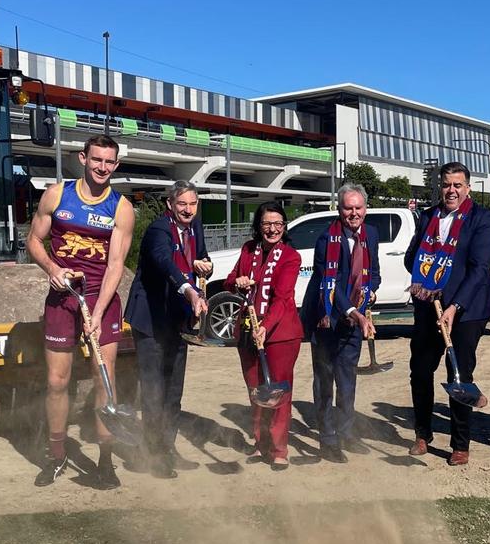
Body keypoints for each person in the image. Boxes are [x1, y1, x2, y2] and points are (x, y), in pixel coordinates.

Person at [27, 135, 135, 488]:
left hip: (102, 298)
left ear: (115, 165)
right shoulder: (58, 195)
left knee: (105, 379)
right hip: (62, 299)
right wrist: (52, 269)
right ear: (83, 159)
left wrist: (99, 313)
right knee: (56, 382)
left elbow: (116, 265)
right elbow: (33, 240)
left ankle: (105, 461)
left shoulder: (121, 208)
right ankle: (57, 456)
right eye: (96, 160)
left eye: (109, 162)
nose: (102, 167)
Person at [404, 162, 490, 466]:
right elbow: (412, 257)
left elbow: (480, 269)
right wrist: (423, 281)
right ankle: (422, 433)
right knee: (420, 369)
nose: (451, 190)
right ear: (439, 187)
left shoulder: (481, 219)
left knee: (459, 373)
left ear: (467, 187)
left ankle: (460, 443)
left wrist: (455, 307)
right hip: (429, 306)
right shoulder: (429, 216)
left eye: (458, 185)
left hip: (466, 309)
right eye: (446, 184)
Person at [125, 181, 212, 479]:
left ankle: (168, 447)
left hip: (177, 319)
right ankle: (153, 455)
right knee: (153, 391)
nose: (188, 210)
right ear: (170, 205)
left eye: (193, 204)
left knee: (173, 391)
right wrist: (188, 289)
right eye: (182, 205)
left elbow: (202, 257)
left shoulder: (195, 226)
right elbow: (164, 262)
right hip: (150, 319)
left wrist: (205, 266)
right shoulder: (159, 230)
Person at [301, 184, 381, 463]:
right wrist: (354, 312)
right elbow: (331, 285)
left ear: (365, 209)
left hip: (354, 319)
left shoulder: (371, 234)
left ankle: (346, 432)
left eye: (358, 208)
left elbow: (374, 273)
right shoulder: (327, 239)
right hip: (327, 317)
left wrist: (370, 293)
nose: (353, 213)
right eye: (348, 208)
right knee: (325, 380)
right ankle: (328, 439)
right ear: (339, 209)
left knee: (347, 380)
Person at [227, 202, 303, 470]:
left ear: (284, 226)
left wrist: (265, 326)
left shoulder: (291, 256)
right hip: (248, 329)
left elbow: (283, 298)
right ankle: (261, 444)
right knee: (256, 390)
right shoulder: (248, 249)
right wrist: (237, 282)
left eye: (278, 224)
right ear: (258, 227)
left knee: (278, 392)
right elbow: (230, 280)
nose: (273, 229)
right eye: (267, 224)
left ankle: (280, 449)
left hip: (280, 334)